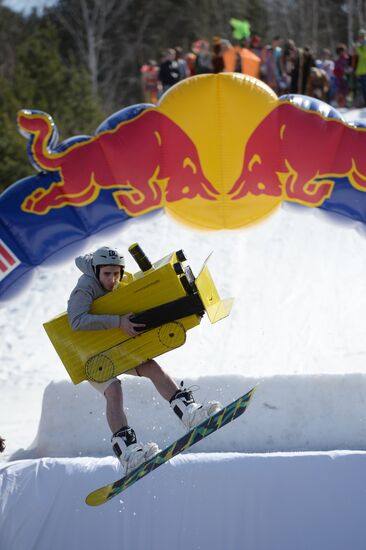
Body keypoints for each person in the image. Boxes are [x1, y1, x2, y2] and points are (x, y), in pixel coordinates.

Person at [67, 246, 221, 474]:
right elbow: (76, 320)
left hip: (113, 346)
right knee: (114, 390)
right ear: (97, 271)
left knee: (151, 367)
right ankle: (129, 454)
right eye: (107, 274)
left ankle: (189, 414)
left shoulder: (121, 280)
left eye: (116, 273)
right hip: (87, 354)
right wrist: (117, 322)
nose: (112, 279)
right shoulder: (85, 287)